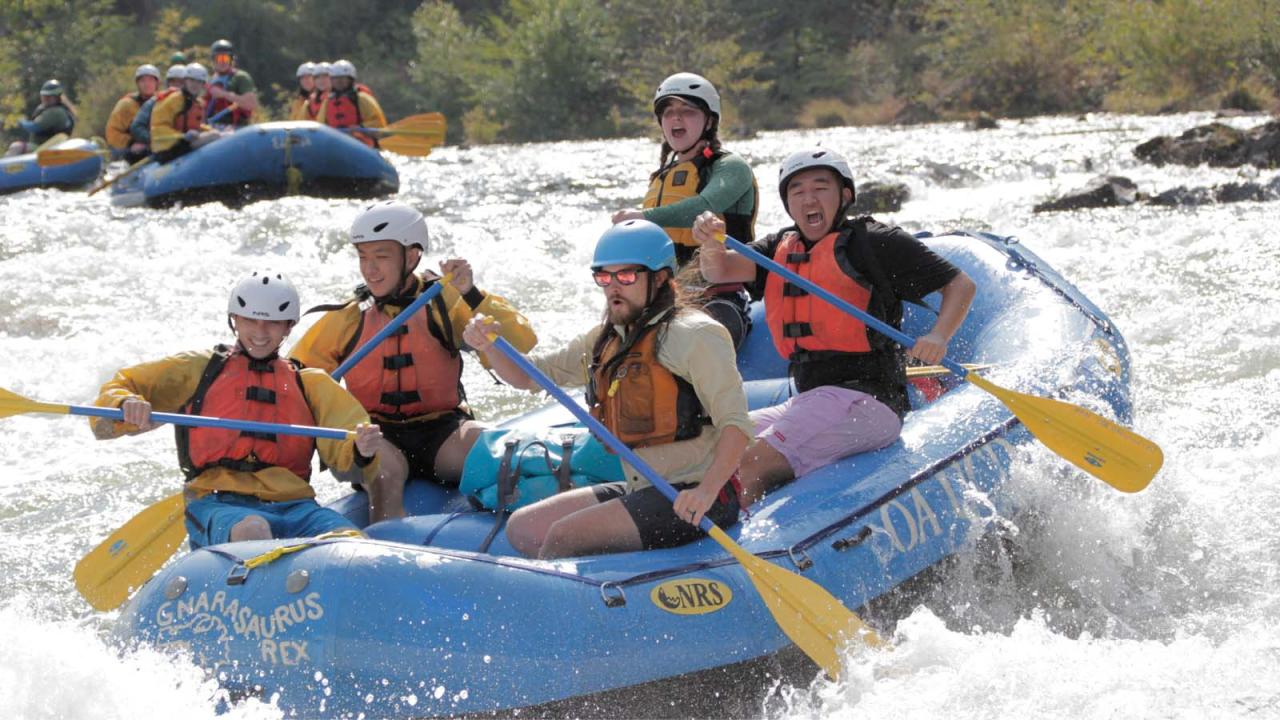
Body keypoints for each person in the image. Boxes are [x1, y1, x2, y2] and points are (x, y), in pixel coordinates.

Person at [693, 147, 977, 504]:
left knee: (747, 462)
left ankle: (727, 548)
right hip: (811, 400)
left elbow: (961, 285)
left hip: (869, 402)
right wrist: (709, 240)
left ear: (845, 195)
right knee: (711, 449)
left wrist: (939, 335)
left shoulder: (877, 242)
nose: (808, 198)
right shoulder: (780, 248)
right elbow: (719, 269)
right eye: (797, 191)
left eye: (820, 188)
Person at [462, 219, 752, 559]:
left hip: (698, 495)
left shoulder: (696, 335)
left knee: (562, 537)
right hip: (644, 485)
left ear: (659, 278)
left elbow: (737, 424)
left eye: (626, 276)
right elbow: (529, 377)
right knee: (524, 528)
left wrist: (706, 491)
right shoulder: (607, 339)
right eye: (604, 277)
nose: (613, 287)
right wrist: (490, 347)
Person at [90, 271, 398, 549]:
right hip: (217, 501)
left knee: (354, 544)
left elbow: (348, 450)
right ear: (234, 320)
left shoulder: (310, 384)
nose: (261, 332)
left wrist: (361, 449)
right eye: (251, 320)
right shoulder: (199, 369)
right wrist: (124, 404)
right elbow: (120, 387)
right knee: (253, 528)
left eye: (272, 323)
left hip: (296, 507)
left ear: (288, 327)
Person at [289, 202, 537, 522]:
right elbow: (294, 380)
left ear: (411, 256)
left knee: (501, 455)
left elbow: (523, 342)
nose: (370, 269)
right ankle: (384, 554)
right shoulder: (348, 318)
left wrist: (470, 292)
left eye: (381, 256)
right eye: (363, 257)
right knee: (384, 473)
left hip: (441, 431)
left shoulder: (443, 300)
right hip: (375, 435)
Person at [612, 73, 757, 349]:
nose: (676, 119)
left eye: (687, 111)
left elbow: (705, 206)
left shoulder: (731, 167)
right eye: (668, 112)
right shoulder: (662, 176)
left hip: (719, 295)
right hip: (668, 298)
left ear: (710, 121)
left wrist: (642, 217)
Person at [150, 63, 216, 162]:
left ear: (203, 84)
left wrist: (210, 129)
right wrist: (182, 136)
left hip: (183, 145)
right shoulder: (174, 99)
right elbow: (157, 129)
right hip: (167, 149)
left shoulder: (197, 102)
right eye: (192, 80)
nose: (195, 84)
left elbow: (195, 127)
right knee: (215, 136)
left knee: (218, 134)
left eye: (199, 82)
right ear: (185, 81)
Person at [316, 59, 386, 147]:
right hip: (336, 144)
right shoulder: (327, 102)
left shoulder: (362, 98)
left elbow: (379, 123)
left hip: (361, 144)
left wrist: (360, 127)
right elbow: (320, 126)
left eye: (342, 79)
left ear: (350, 80)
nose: (338, 82)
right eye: (335, 79)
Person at [105, 64, 161, 163]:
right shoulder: (126, 104)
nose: (147, 84)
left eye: (151, 80)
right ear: (137, 83)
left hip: (153, 145)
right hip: (127, 148)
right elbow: (111, 132)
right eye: (142, 81)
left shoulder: (162, 102)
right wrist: (131, 143)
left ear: (157, 83)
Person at [5, 80, 76, 156]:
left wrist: (21, 122)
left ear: (57, 97)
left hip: (44, 147)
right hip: (48, 146)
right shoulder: (58, 110)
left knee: (15, 147)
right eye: (44, 96)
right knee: (10, 152)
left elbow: (34, 127)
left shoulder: (55, 112)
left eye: (49, 97)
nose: (45, 99)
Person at [130, 65, 186, 152]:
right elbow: (136, 127)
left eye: (181, 83)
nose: (177, 86)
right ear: (168, 84)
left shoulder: (195, 103)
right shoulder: (154, 102)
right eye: (173, 82)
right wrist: (153, 139)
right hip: (162, 147)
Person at [205, 38, 257, 128]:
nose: (222, 62)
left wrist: (224, 94)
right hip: (211, 125)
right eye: (219, 58)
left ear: (231, 59)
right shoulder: (209, 80)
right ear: (213, 60)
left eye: (225, 58)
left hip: (235, 127)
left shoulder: (240, 77)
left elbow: (250, 104)